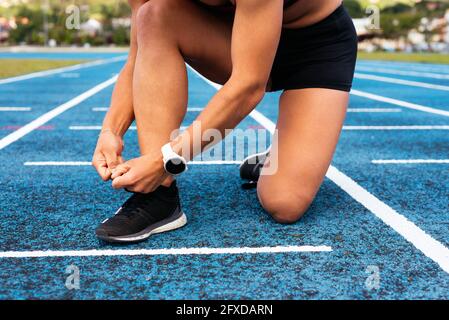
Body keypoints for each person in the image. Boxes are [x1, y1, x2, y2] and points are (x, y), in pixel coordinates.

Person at [92, 0, 357, 243]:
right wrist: (110, 130)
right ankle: (158, 196)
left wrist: (166, 160)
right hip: (234, 35)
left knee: (285, 205)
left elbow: (250, 85)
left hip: (316, 48)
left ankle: (281, 153)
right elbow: (137, 54)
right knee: (154, 15)